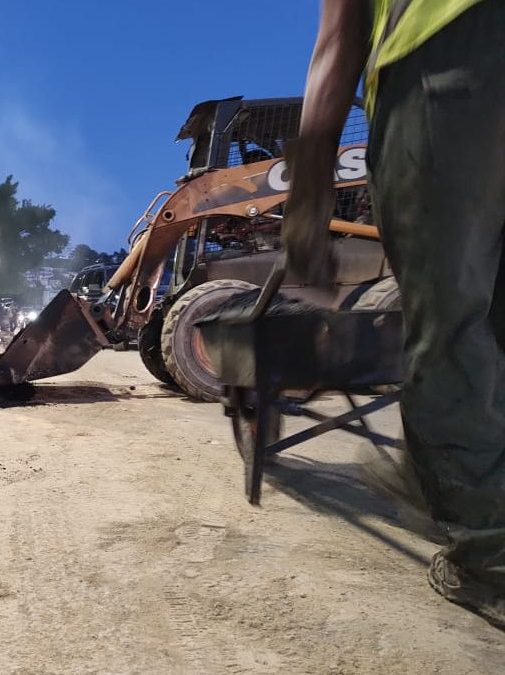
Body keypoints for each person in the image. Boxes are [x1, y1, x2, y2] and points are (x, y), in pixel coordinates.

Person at [284, 0, 505, 627]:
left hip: (445, 67)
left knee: (450, 333)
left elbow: (336, 41)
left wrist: (306, 205)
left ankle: (490, 565)